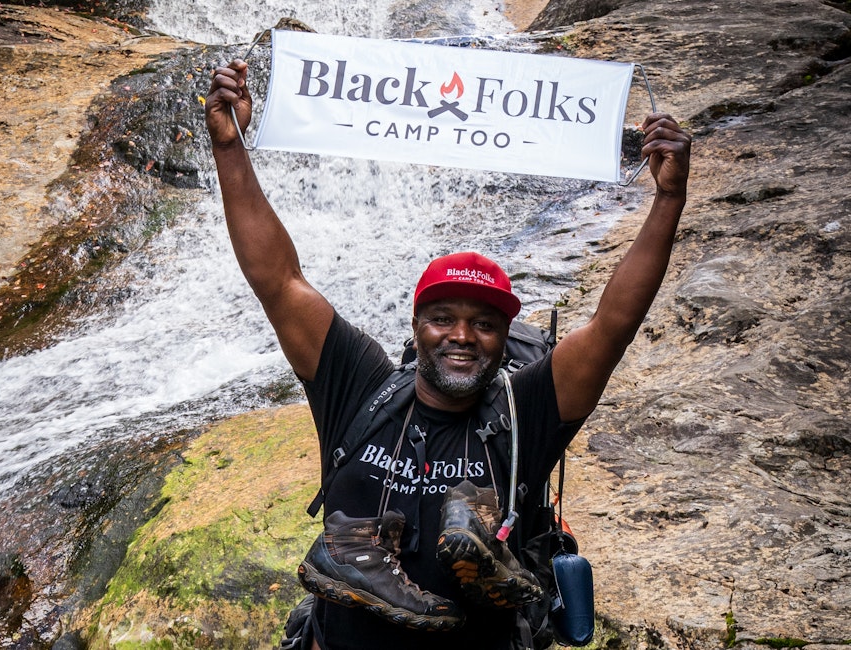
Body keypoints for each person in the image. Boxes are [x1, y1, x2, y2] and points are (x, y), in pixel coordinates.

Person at [205, 58, 691, 650]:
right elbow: (278, 280)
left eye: (485, 324)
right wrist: (230, 147)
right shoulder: (360, 387)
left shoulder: (525, 413)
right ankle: (366, 558)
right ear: (416, 325)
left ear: (503, 336)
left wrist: (667, 199)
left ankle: (490, 558)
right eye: (443, 318)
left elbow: (613, 325)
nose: (462, 335)